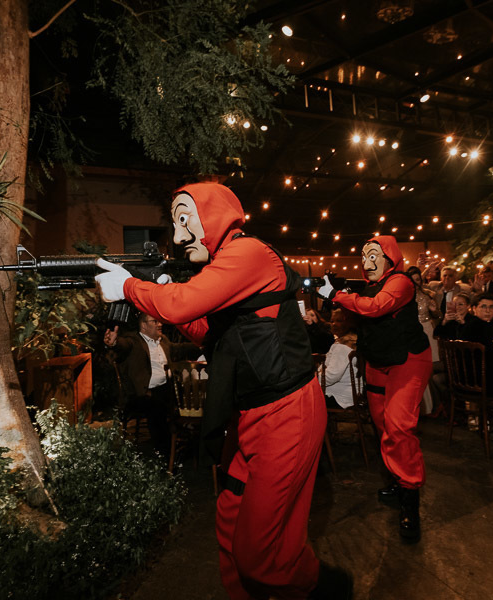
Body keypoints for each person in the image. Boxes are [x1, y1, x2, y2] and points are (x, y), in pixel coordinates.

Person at [95, 183, 351, 599]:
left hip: (287, 413)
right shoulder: (226, 268)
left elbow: (179, 306)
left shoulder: (247, 253)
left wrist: (130, 288)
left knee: (259, 553)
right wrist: (155, 283)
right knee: (230, 522)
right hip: (250, 414)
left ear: (214, 215)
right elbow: (203, 331)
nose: (179, 238)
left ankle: (322, 588)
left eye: (184, 220)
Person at [316, 235, 432, 543]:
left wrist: (337, 295)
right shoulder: (369, 287)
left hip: (407, 361)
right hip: (378, 363)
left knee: (399, 426)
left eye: (373, 255)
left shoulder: (402, 282)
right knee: (383, 427)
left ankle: (410, 501)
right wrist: (328, 301)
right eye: (364, 256)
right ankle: (397, 480)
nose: (366, 262)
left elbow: (377, 307)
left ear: (390, 257)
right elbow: (356, 313)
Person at [104, 313, 200, 454]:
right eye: (155, 321)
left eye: (160, 321)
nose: (160, 324)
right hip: (141, 394)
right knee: (157, 405)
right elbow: (123, 345)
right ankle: (166, 454)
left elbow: (178, 348)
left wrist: (200, 345)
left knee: (192, 397)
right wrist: (114, 342)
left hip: (165, 390)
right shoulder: (134, 341)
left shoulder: (163, 341)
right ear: (143, 325)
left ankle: (190, 442)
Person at [435, 293, 493, 436]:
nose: (487, 310)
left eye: (491, 307)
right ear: (473, 308)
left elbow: (488, 351)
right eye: (483, 306)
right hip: (479, 382)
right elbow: (491, 353)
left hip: (467, 380)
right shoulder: (477, 326)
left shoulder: (474, 324)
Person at [407, 265, 440, 414]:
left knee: (431, 369)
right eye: (412, 280)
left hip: (427, 330)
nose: (415, 283)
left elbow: (439, 316)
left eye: (417, 280)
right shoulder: (404, 298)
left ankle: (436, 405)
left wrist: (435, 311)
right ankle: (422, 406)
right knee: (416, 370)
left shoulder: (428, 295)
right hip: (412, 332)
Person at [321, 308, 359, 409]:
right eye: (332, 321)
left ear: (349, 323)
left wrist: (312, 382)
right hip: (350, 393)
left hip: (340, 397)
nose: (334, 324)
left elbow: (331, 376)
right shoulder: (354, 340)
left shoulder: (343, 346)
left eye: (339, 321)